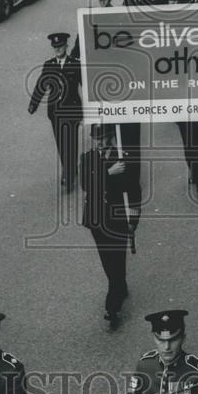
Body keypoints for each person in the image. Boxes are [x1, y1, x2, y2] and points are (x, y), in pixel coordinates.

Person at [80, 123, 141, 326]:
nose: (99, 142)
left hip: (117, 219)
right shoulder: (88, 158)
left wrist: (133, 218)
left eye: (103, 138)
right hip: (96, 219)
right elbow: (86, 185)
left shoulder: (123, 158)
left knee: (117, 260)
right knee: (107, 260)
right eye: (96, 138)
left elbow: (134, 190)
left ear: (110, 138)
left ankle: (112, 305)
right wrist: (108, 173)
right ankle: (119, 286)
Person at [28, 33, 83, 191]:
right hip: (56, 112)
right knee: (61, 143)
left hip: (72, 110)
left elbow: (84, 85)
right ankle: (69, 168)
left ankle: (69, 173)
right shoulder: (49, 65)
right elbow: (41, 85)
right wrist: (33, 104)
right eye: (55, 47)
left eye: (60, 47)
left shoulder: (75, 64)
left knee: (71, 142)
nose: (58, 50)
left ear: (66, 46)